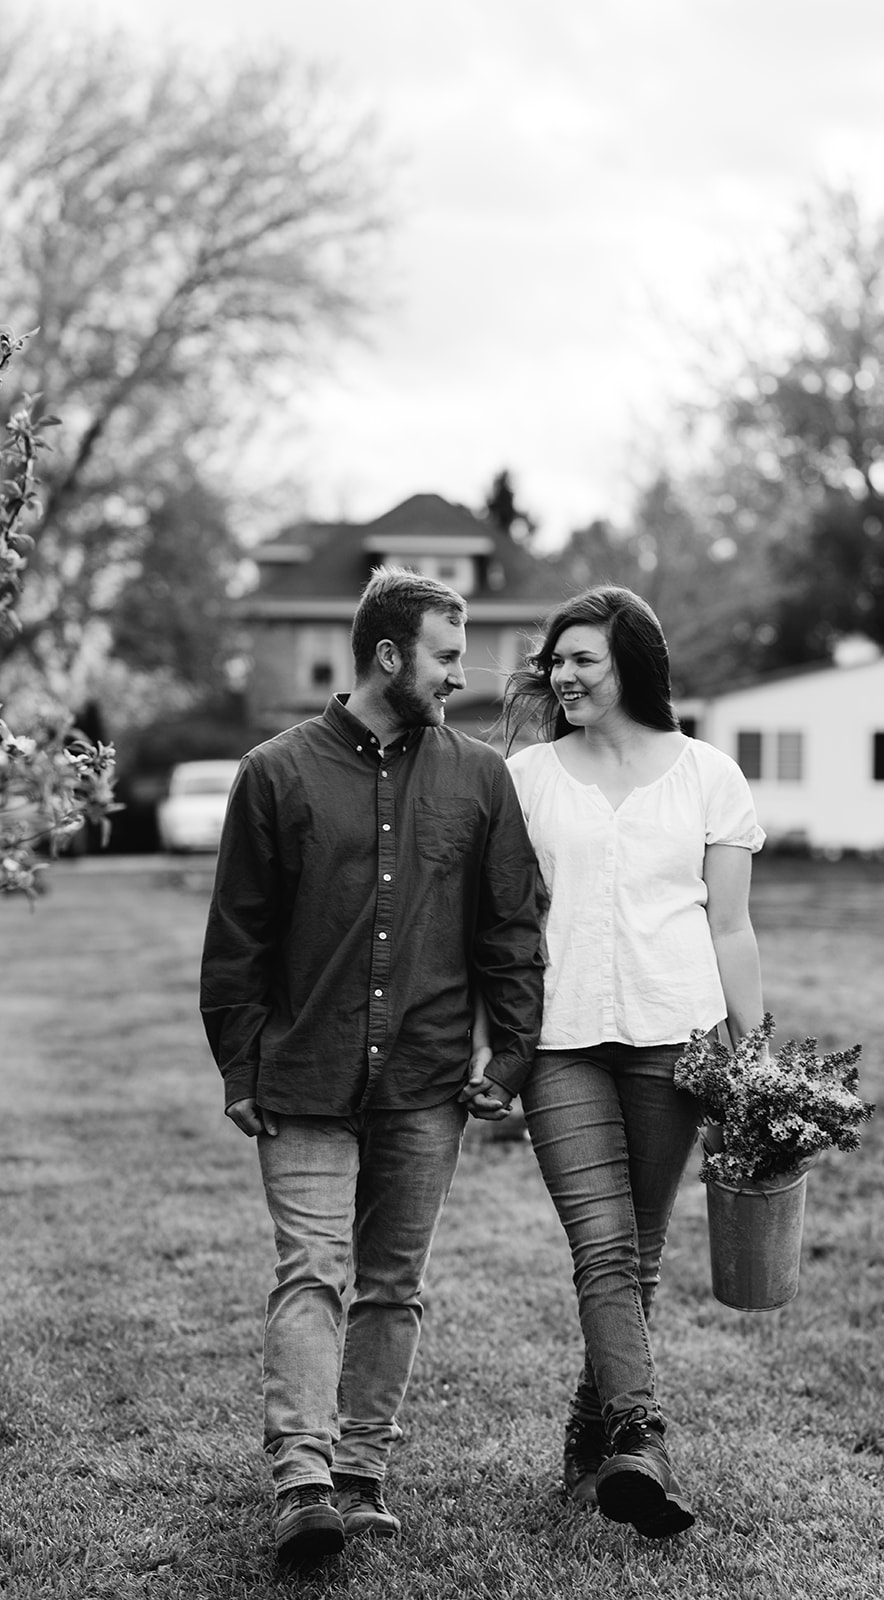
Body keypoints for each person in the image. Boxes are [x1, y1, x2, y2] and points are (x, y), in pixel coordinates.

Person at [200, 568, 544, 1569]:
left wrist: (512, 1049)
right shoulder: (275, 773)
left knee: (392, 1284)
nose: (460, 671)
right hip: (302, 1073)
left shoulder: (481, 778)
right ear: (388, 655)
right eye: (446, 652)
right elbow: (239, 939)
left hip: (428, 1080)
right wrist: (239, 1062)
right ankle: (302, 1483)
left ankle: (360, 1473)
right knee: (311, 1271)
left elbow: (509, 926)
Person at [498, 585, 766, 1539]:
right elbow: (503, 919)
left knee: (638, 1256)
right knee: (603, 1246)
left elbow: (730, 926)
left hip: (677, 1040)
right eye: (557, 660)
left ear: (632, 667)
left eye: (585, 660)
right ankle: (642, 1437)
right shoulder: (527, 777)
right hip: (560, 1042)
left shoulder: (708, 776)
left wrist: (753, 1058)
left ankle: (591, 1433)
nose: (563, 676)